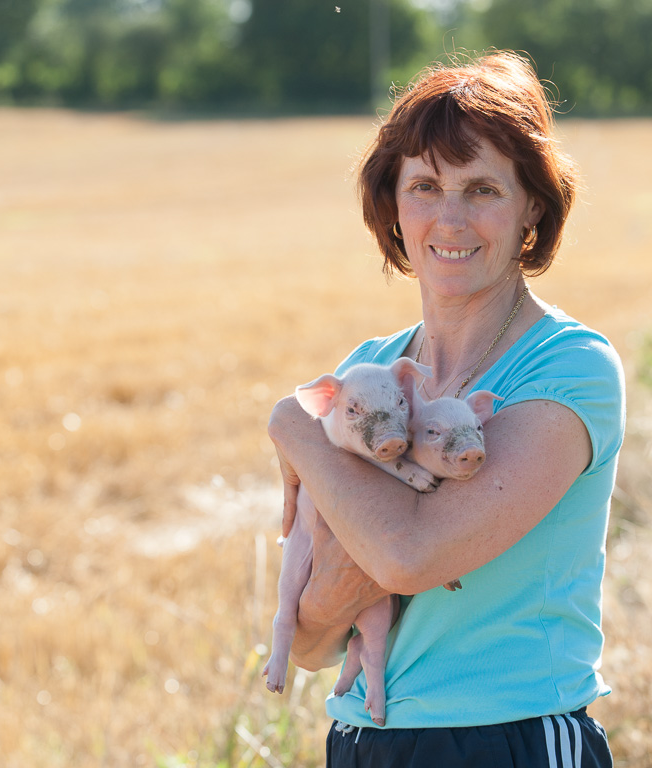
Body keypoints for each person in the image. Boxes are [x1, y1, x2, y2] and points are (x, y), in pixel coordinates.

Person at [267, 50, 625, 767]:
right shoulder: (366, 371)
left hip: (510, 739)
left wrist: (293, 428)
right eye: (425, 185)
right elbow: (307, 646)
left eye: (483, 189)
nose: (450, 218)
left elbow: (409, 553)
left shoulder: (568, 367)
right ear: (392, 207)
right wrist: (342, 586)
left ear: (533, 207)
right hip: (363, 740)